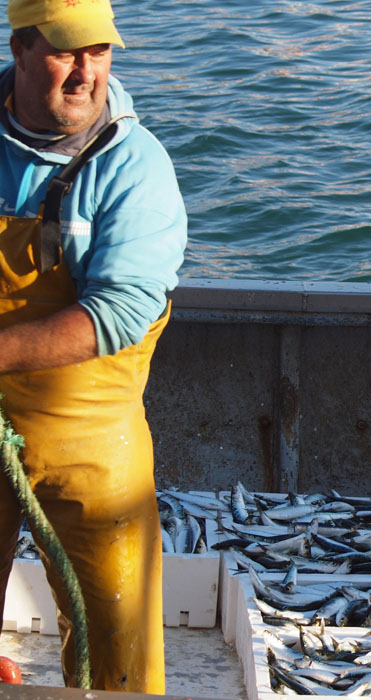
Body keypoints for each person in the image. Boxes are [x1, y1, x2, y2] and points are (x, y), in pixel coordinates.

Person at [0, 0, 186, 692]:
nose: (87, 73)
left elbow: (122, 310)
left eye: (100, 52)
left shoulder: (134, 166)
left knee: (121, 632)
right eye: (66, 51)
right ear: (20, 48)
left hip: (89, 434)